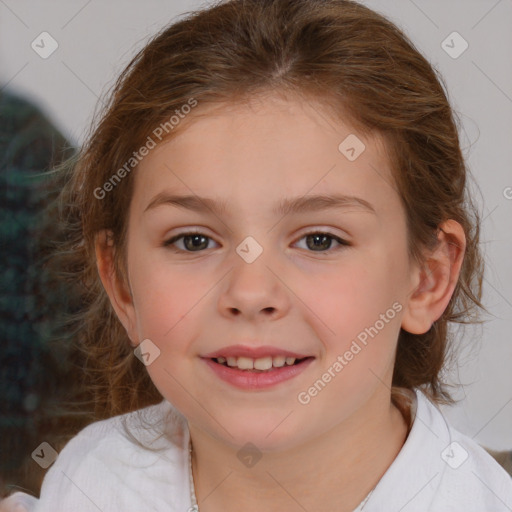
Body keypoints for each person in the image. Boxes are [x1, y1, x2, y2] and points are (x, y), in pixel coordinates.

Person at [2, 0, 511, 510]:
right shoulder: (92, 479)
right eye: (193, 240)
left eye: (319, 240)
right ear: (121, 284)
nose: (250, 293)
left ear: (427, 277)